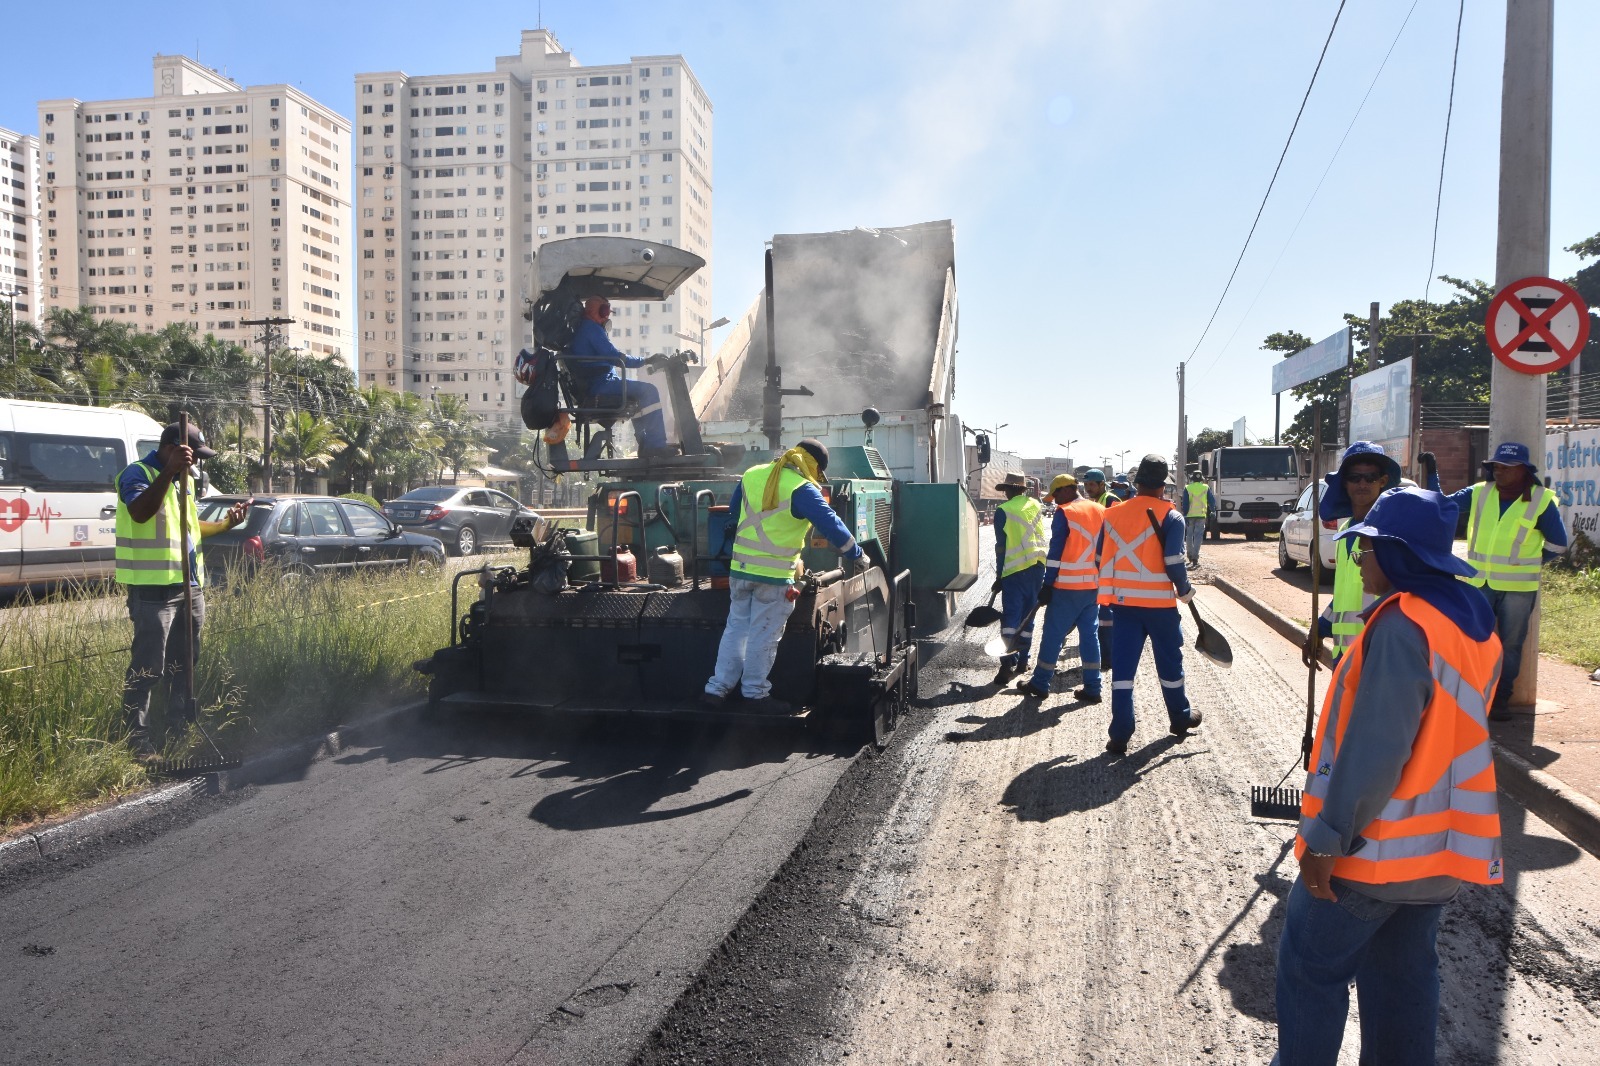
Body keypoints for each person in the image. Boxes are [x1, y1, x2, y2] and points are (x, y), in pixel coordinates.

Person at [1274, 486, 1502, 1066]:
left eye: (1365, 550)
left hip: (1372, 854)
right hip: (1439, 855)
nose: (1358, 561)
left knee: (1308, 970)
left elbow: (1377, 750)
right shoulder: (1473, 623)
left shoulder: (1403, 626)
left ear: (1398, 554)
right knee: (1403, 983)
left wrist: (1327, 838)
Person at [703, 439, 863, 713]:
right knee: (763, 635)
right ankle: (754, 694)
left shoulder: (751, 474)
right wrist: (857, 554)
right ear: (812, 465)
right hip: (773, 578)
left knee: (736, 629)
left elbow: (732, 510)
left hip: (740, 571)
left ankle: (716, 690)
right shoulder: (802, 488)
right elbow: (830, 524)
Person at [116, 421, 248, 755]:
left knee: (185, 663)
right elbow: (141, 512)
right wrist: (169, 472)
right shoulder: (137, 474)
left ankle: (178, 730)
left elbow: (188, 527)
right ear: (173, 449)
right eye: (193, 456)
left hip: (190, 589)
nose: (197, 463)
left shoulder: (181, 481)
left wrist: (224, 524)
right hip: (153, 591)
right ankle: (137, 741)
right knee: (148, 668)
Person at [1441, 441, 1567, 717]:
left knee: (1510, 645)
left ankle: (1499, 701)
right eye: (1496, 466)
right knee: (1473, 640)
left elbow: (1558, 544)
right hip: (1478, 583)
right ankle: (1471, 697)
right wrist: (1431, 476)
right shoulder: (1478, 493)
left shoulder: (1540, 499)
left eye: (1507, 467)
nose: (1499, 471)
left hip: (1519, 588)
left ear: (1523, 470)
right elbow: (1442, 505)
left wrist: (1528, 561)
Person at [1095, 454, 1201, 755]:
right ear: (1162, 487)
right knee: (1169, 663)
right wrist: (1185, 590)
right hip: (1160, 608)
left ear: (1137, 483)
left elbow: (1100, 559)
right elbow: (1172, 561)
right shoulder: (1172, 516)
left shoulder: (1112, 514)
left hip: (1123, 605)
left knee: (1123, 669)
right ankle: (1180, 717)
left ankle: (1120, 733)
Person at [1304, 442, 1402, 666]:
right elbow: (1345, 594)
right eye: (1355, 477)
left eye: (1370, 477)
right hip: (1343, 652)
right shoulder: (1344, 531)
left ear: (1383, 481)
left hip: (1376, 652)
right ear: (1344, 483)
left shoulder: (1389, 533)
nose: (1362, 483)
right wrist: (1319, 628)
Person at [1019, 474, 1105, 703]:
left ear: (1067, 490)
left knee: (1053, 635)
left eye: (1056, 494)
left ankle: (1040, 683)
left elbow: (1055, 554)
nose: (1055, 500)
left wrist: (1047, 585)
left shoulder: (1065, 513)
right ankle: (1093, 687)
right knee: (1090, 636)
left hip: (1067, 586)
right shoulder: (1098, 509)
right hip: (1093, 586)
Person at [566, 296, 671, 456]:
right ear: (594, 311)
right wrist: (645, 360)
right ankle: (656, 445)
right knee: (649, 391)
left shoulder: (585, 329)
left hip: (598, 383)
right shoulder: (591, 329)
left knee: (638, 397)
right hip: (601, 385)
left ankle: (646, 443)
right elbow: (614, 357)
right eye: (604, 311)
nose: (607, 316)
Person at [990, 471, 1047, 687]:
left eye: (1005, 489)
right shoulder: (1035, 505)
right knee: (1028, 616)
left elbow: (1001, 547)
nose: (1004, 493)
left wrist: (999, 576)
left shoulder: (1003, 510)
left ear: (1011, 490)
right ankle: (1023, 661)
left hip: (1014, 571)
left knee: (1011, 619)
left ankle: (1006, 663)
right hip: (1037, 567)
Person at [1179, 466, 1216, 568]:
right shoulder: (1206, 487)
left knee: (1189, 536)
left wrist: (1185, 514)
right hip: (1201, 514)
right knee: (1198, 536)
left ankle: (1190, 555)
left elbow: (1185, 503)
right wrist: (1213, 511)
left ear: (1192, 478)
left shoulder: (1188, 488)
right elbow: (1211, 501)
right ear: (1201, 479)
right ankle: (1195, 558)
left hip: (1190, 515)